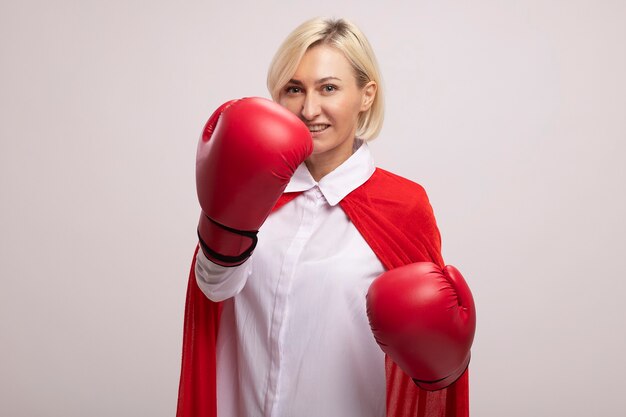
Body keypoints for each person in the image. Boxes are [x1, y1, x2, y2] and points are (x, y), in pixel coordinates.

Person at [177, 17, 475, 417]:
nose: (309, 109)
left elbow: (428, 362)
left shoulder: (403, 206)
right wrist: (225, 221)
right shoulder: (251, 188)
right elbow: (212, 291)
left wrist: (444, 359)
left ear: (366, 95)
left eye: (328, 88)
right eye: (294, 89)